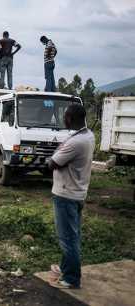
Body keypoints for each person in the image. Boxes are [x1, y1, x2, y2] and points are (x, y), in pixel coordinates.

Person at [47, 104, 95, 289]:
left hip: (66, 194)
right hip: (77, 192)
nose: (63, 119)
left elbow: (52, 163)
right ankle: (66, 267)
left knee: (67, 238)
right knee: (72, 235)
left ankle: (72, 279)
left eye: (65, 116)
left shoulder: (76, 142)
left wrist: (54, 157)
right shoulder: (87, 135)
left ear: (70, 118)